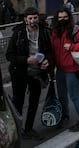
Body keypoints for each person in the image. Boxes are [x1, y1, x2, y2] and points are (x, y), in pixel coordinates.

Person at [6, 7, 51, 140]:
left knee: (34, 101)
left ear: (38, 18)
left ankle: (29, 128)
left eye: (35, 18)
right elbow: (9, 55)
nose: (32, 21)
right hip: (20, 73)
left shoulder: (44, 32)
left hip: (37, 73)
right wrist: (26, 60)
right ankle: (17, 130)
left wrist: (47, 60)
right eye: (30, 18)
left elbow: (49, 51)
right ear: (25, 19)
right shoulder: (18, 33)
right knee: (18, 102)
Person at [50, 7, 79, 131]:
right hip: (60, 69)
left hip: (72, 69)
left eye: (65, 17)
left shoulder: (75, 30)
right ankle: (65, 116)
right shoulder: (55, 31)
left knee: (74, 96)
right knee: (62, 96)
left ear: (69, 17)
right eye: (60, 17)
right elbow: (54, 51)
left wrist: (73, 47)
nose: (62, 19)